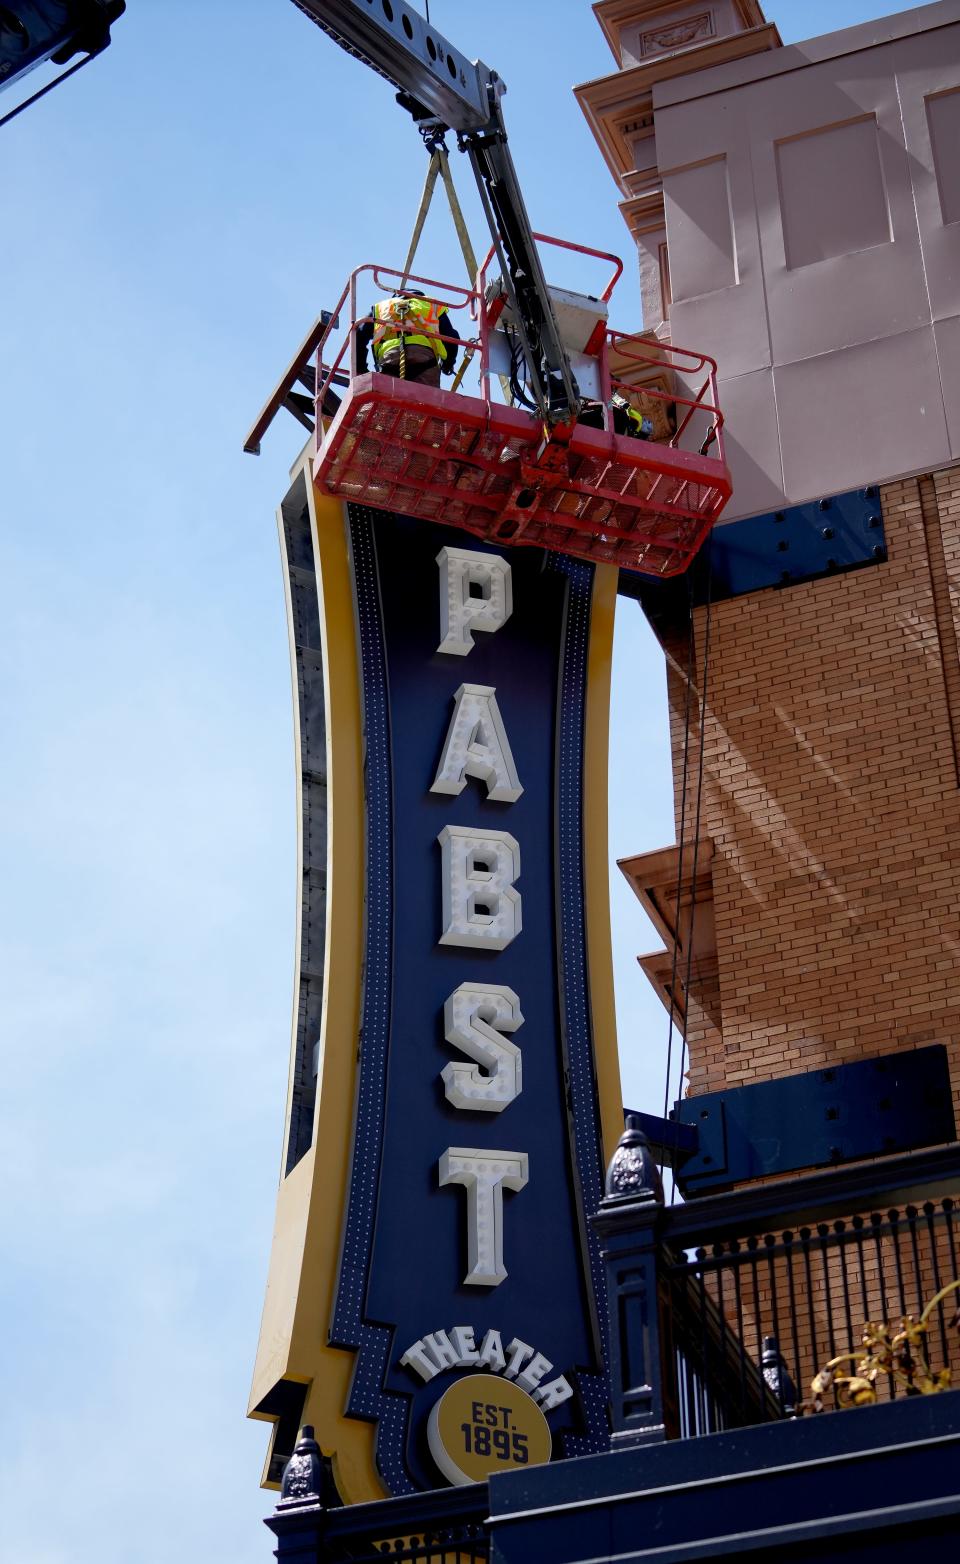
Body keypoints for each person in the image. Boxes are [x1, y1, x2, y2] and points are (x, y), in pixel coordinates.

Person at [355, 288, 459, 386]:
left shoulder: (382, 307)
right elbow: (451, 337)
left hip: (390, 358)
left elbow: (359, 334)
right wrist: (447, 364)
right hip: (424, 358)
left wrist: (361, 368)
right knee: (426, 400)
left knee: (389, 399)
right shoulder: (431, 304)